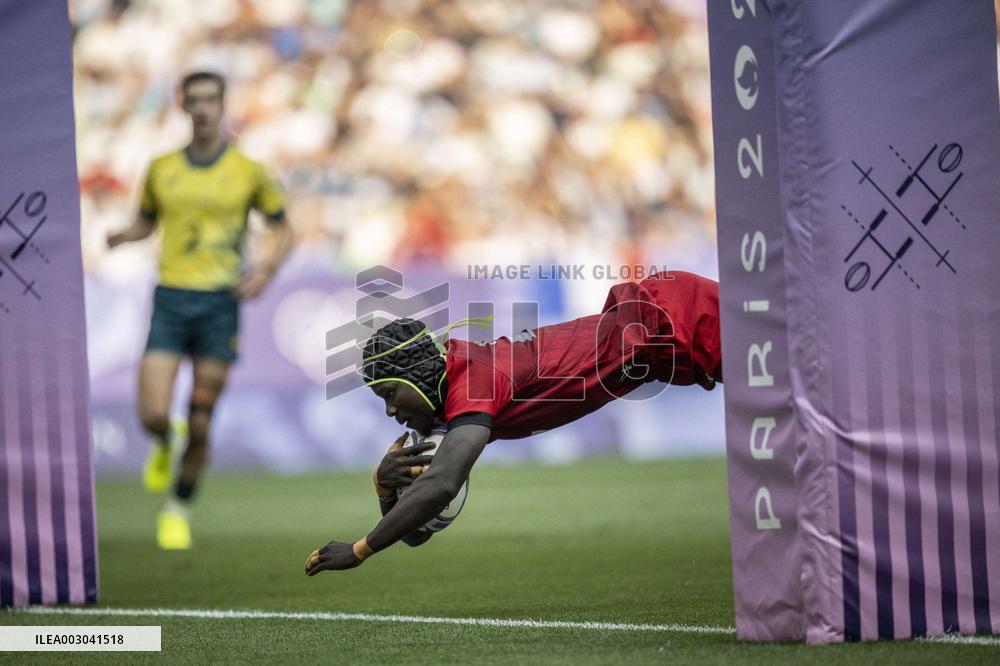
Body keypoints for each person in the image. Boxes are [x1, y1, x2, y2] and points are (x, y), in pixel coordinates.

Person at [305, 270, 721, 574]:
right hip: (657, 341)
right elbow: (419, 530)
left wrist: (360, 549)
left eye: (390, 395)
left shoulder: (474, 380)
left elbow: (442, 485)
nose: (391, 412)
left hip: (671, 318)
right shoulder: (452, 396)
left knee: (778, 389)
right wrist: (384, 490)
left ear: (412, 376)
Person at [107, 71, 294, 550]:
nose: (205, 108)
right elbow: (146, 223)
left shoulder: (248, 171)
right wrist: (122, 236)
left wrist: (265, 271)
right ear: (183, 106)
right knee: (151, 412)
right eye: (196, 100)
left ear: (223, 104)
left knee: (201, 421)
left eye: (213, 99)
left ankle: (178, 509)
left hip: (219, 303)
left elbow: (283, 228)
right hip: (170, 298)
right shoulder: (161, 168)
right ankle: (162, 443)